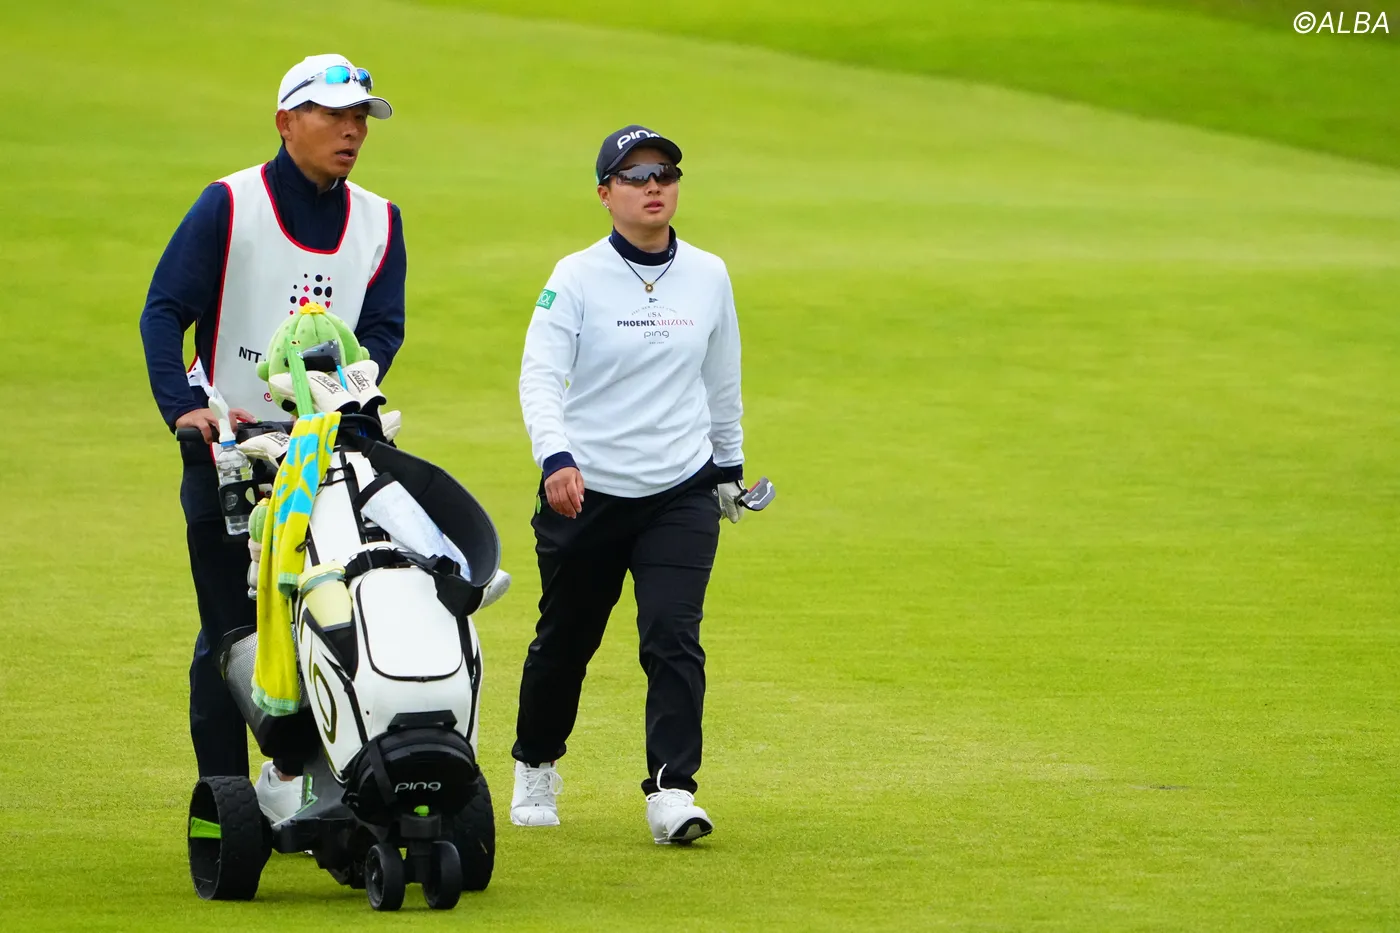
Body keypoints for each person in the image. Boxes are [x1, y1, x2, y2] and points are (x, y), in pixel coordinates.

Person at [139, 54, 404, 824]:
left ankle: (307, 779)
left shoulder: (380, 220)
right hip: (228, 448)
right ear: (287, 121)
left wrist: (346, 394)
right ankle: (225, 806)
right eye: (333, 114)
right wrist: (182, 408)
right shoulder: (230, 204)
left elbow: (382, 327)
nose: (351, 130)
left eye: (360, 117)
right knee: (230, 634)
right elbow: (165, 311)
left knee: (329, 611)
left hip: (326, 450)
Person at [513, 124, 753, 845]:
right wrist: (555, 457)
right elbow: (540, 375)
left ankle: (673, 790)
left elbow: (722, 377)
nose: (654, 187)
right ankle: (536, 762)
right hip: (586, 488)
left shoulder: (708, 273)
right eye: (636, 176)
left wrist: (729, 468)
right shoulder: (575, 276)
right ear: (605, 193)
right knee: (567, 639)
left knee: (673, 635)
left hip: (681, 488)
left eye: (665, 174)